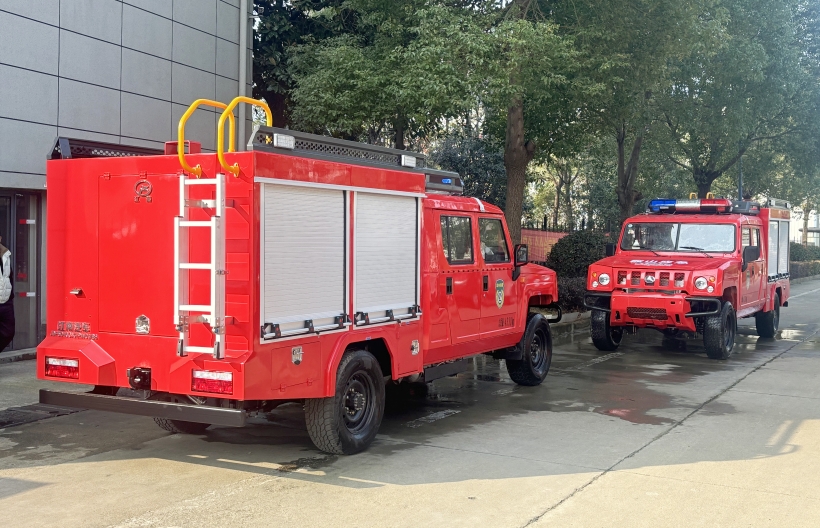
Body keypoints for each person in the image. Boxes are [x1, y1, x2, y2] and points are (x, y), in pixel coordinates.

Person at [0, 236, 14, 352]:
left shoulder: (5, 254)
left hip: (6, 302)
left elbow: (9, 276)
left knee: (9, 332)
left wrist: (10, 296)